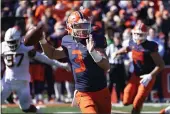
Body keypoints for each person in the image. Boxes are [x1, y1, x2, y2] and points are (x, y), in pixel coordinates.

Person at [39, 9, 111, 114]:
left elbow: (106, 66)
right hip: (83, 93)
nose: (83, 29)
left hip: (101, 90)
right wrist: (42, 40)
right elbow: (53, 54)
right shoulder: (67, 41)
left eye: (85, 26)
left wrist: (93, 52)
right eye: (79, 26)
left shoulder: (94, 39)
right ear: (70, 27)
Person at [1, 26, 70, 113]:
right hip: (7, 81)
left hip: (23, 83)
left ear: (19, 39)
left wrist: (62, 65)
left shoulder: (26, 48)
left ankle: (40, 112)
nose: (12, 44)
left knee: (26, 108)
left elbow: (43, 58)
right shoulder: (3, 46)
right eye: (9, 42)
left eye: (13, 42)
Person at [113, 22, 165, 114]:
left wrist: (150, 76)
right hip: (135, 75)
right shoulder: (132, 42)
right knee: (126, 100)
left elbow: (161, 65)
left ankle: (136, 108)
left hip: (147, 77)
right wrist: (117, 52)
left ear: (145, 34)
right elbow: (127, 49)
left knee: (137, 102)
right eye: (136, 33)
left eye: (140, 34)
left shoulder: (150, 46)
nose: (138, 36)